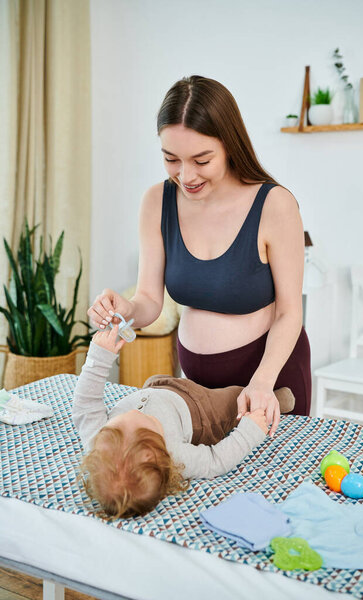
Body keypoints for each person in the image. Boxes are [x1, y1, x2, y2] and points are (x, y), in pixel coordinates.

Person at [87, 75, 311, 439]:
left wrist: (261, 383)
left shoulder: (274, 205)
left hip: (271, 382)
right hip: (197, 386)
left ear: (229, 146)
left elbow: (289, 312)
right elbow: (148, 301)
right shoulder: (156, 203)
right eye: (171, 159)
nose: (186, 175)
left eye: (201, 159)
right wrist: (124, 309)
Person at [73, 325, 295, 519]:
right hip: (201, 411)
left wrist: (99, 357)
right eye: (146, 425)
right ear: (158, 453)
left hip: (160, 388)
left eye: (118, 425)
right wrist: (250, 431)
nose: (136, 414)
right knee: (237, 399)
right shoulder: (175, 456)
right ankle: (277, 400)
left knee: (151, 381)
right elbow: (215, 460)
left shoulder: (96, 441)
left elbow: (85, 403)